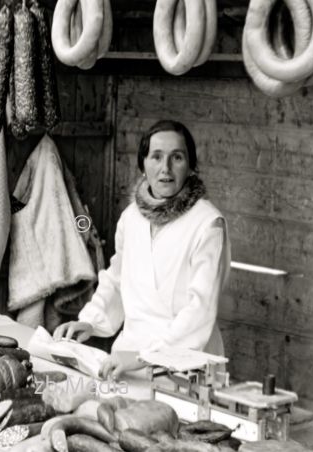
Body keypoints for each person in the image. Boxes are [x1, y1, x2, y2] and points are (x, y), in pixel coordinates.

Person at [54, 119, 230, 380]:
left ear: (191, 166)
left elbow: (199, 309)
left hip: (185, 367)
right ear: (143, 164)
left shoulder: (207, 224)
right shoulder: (131, 218)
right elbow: (116, 279)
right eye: (156, 157)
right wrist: (90, 321)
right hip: (125, 363)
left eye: (177, 157)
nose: (165, 169)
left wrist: (144, 357)